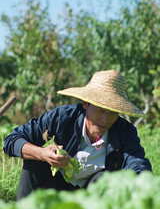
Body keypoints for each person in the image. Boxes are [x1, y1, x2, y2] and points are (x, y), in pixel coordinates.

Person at [3, 70, 152, 199]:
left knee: (105, 179)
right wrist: (42, 154)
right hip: (54, 187)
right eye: (101, 110)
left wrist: (141, 183)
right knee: (35, 162)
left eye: (112, 112)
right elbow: (11, 141)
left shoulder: (124, 131)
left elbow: (137, 163)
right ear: (86, 104)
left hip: (93, 197)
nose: (105, 119)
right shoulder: (63, 117)